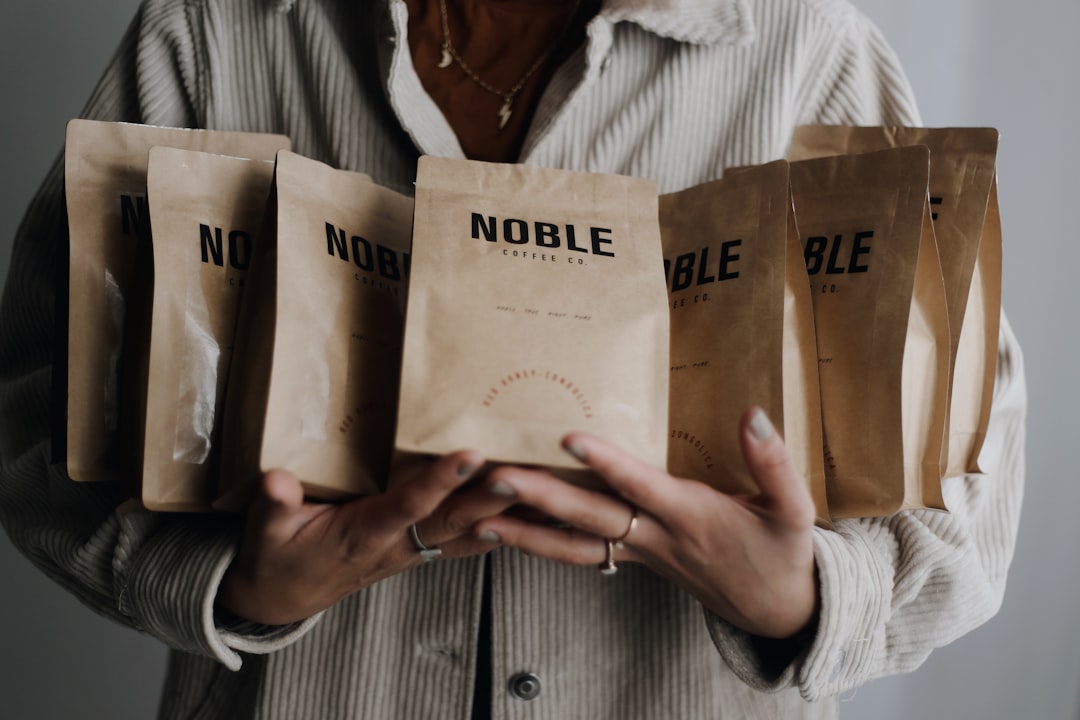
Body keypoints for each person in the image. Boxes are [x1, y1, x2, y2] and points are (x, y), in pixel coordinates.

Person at [0, 0, 1026, 718]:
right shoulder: (214, 28)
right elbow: (37, 408)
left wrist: (800, 596)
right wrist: (236, 584)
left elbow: (968, 503)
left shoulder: (807, 46)